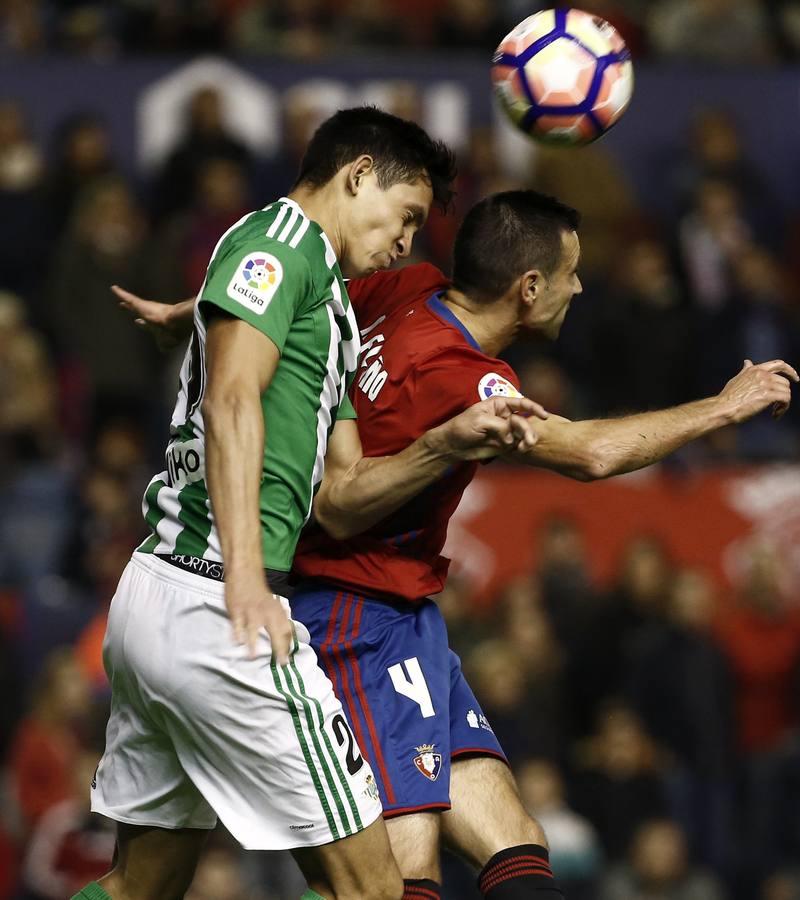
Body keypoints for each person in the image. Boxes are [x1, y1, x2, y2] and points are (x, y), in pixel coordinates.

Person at [119, 189, 798, 899]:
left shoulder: (408, 286)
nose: (579, 286)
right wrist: (723, 407)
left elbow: (297, 304)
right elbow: (591, 453)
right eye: (569, 273)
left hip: (405, 615)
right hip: (353, 613)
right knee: (401, 877)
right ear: (528, 289)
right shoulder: (471, 384)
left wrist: (198, 310)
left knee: (517, 844)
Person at [80, 109, 546, 900]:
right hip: (222, 604)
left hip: (155, 598)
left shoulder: (323, 297)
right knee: (374, 888)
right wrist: (247, 580)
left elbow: (339, 486)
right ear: (357, 174)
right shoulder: (278, 243)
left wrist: (196, 316)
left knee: (139, 884)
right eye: (404, 216)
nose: (406, 242)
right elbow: (232, 404)